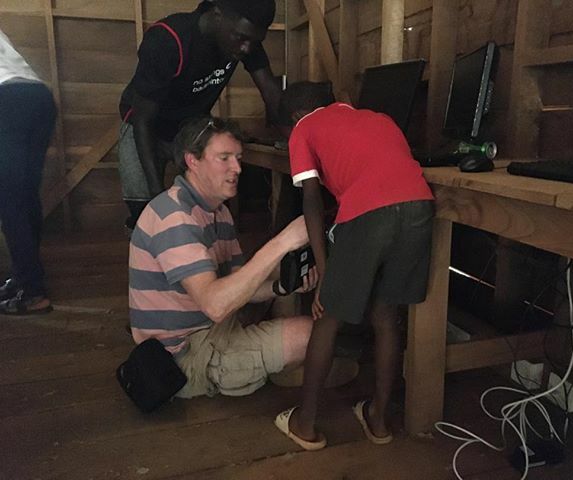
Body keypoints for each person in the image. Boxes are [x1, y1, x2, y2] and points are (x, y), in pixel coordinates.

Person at [274, 82, 436, 450]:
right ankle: (379, 420)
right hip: (419, 207)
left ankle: (306, 424)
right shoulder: (381, 119)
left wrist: (324, 271)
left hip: (366, 214)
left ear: (295, 117)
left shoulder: (303, 128)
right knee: (386, 316)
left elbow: (311, 201)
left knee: (327, 317)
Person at [128, 115, 318, 398]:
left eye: (238, 158)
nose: (238, 168)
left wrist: (280, 287)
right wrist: (282, 242)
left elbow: (240, 287)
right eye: (224, 158)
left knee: (281, 290)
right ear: (192, 160)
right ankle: (288, 371)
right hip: (183, 357)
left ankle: (284, 365)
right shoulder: (175, 217)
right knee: (309, 335)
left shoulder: (218, 210)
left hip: (212, 327)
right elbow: (216, 305)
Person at [119, 0, 283, 230]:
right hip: (145, 126)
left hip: (189, 127)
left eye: (254, 42)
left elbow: (270, 91)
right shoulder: (168, 39)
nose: (247, 49)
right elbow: (143, 119)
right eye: (241, 38)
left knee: (204, 203)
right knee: (145, 208)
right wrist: (158, 197)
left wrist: (297, 138)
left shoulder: (245, 39)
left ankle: (198, 260)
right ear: (217, 14)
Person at [0, 28, 57, 315]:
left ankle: (32, 292)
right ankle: (24, 279)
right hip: (38, 96)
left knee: (10, 200)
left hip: (6, 100)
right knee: (24, 196)